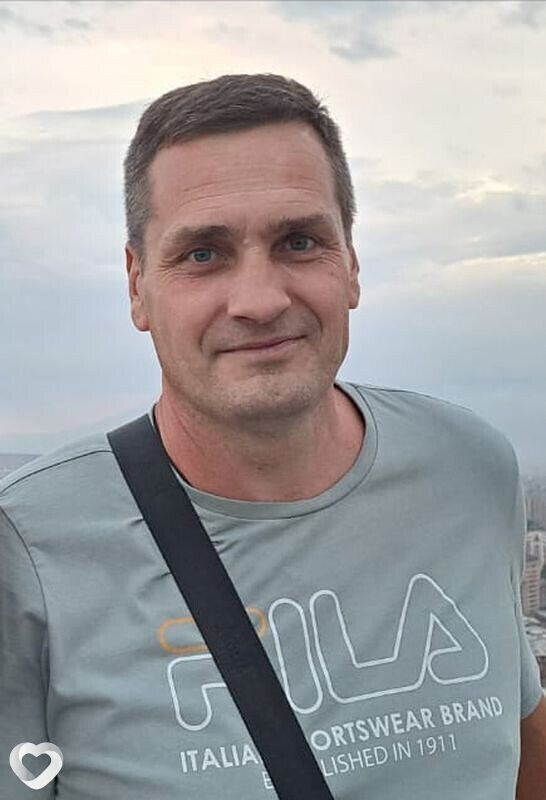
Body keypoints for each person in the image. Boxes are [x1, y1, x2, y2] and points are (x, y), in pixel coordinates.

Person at [1, 73, 545, 800]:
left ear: (351, 264)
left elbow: (520, 740)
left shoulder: (470, 467)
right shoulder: (27, 547)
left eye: (299, 241)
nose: (259, 301)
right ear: (137, 285)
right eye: (203, 253)